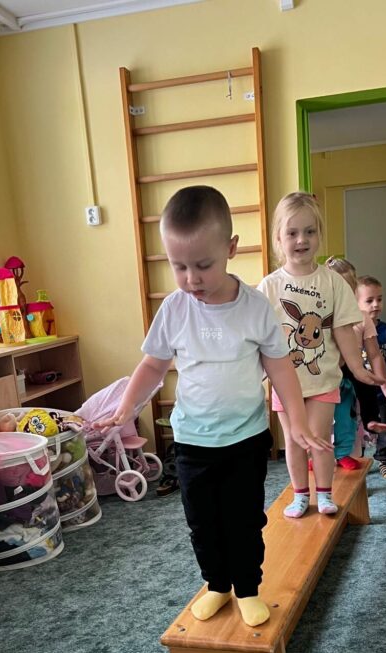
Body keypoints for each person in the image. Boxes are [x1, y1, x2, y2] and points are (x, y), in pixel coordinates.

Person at [94, 185, 331, 627]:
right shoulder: (174, 309)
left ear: (231, 248)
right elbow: (152, 365)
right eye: (179, 266)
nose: (192, 279)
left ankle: (247, 588)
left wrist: (297, 421)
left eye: (203, 265)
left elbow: (280, 367)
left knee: (244, 521)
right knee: (203, 523)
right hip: (191, 442)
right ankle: (218, 585)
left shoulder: (256, 307)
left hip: (246, 439)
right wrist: (127, 408)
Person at [258, 192, 383, 517]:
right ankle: (300, 495)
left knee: (318, 438)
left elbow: (343, 330)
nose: (302, 240)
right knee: (293, 440)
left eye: (310, 231)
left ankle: (324, 493)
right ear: (278, 238)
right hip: (285, 383)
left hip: (323, 379)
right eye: (292, 233)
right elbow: (258, 337)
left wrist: (357, 368)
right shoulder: (269, 287)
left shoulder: (333, 283)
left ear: (319, 235)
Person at [325, 257, 386, 470]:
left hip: (352, 370)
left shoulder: (361, 318)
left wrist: (385, 386)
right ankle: (318, 456)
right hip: (326, 374)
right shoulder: (322, 316)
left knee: (356, 399)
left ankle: (368, 422)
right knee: (323, 419)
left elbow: (375, 355)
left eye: (348, 289)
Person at [356, 275, 386, 479]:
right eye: (369, 300)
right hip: (360, 394)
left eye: (379, 299)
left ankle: (384, 461)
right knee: (357, 431)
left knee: (384, 428)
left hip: (383, 393)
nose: (376, 304)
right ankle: (357, 464)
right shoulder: (352, 331)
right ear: (356, 303)